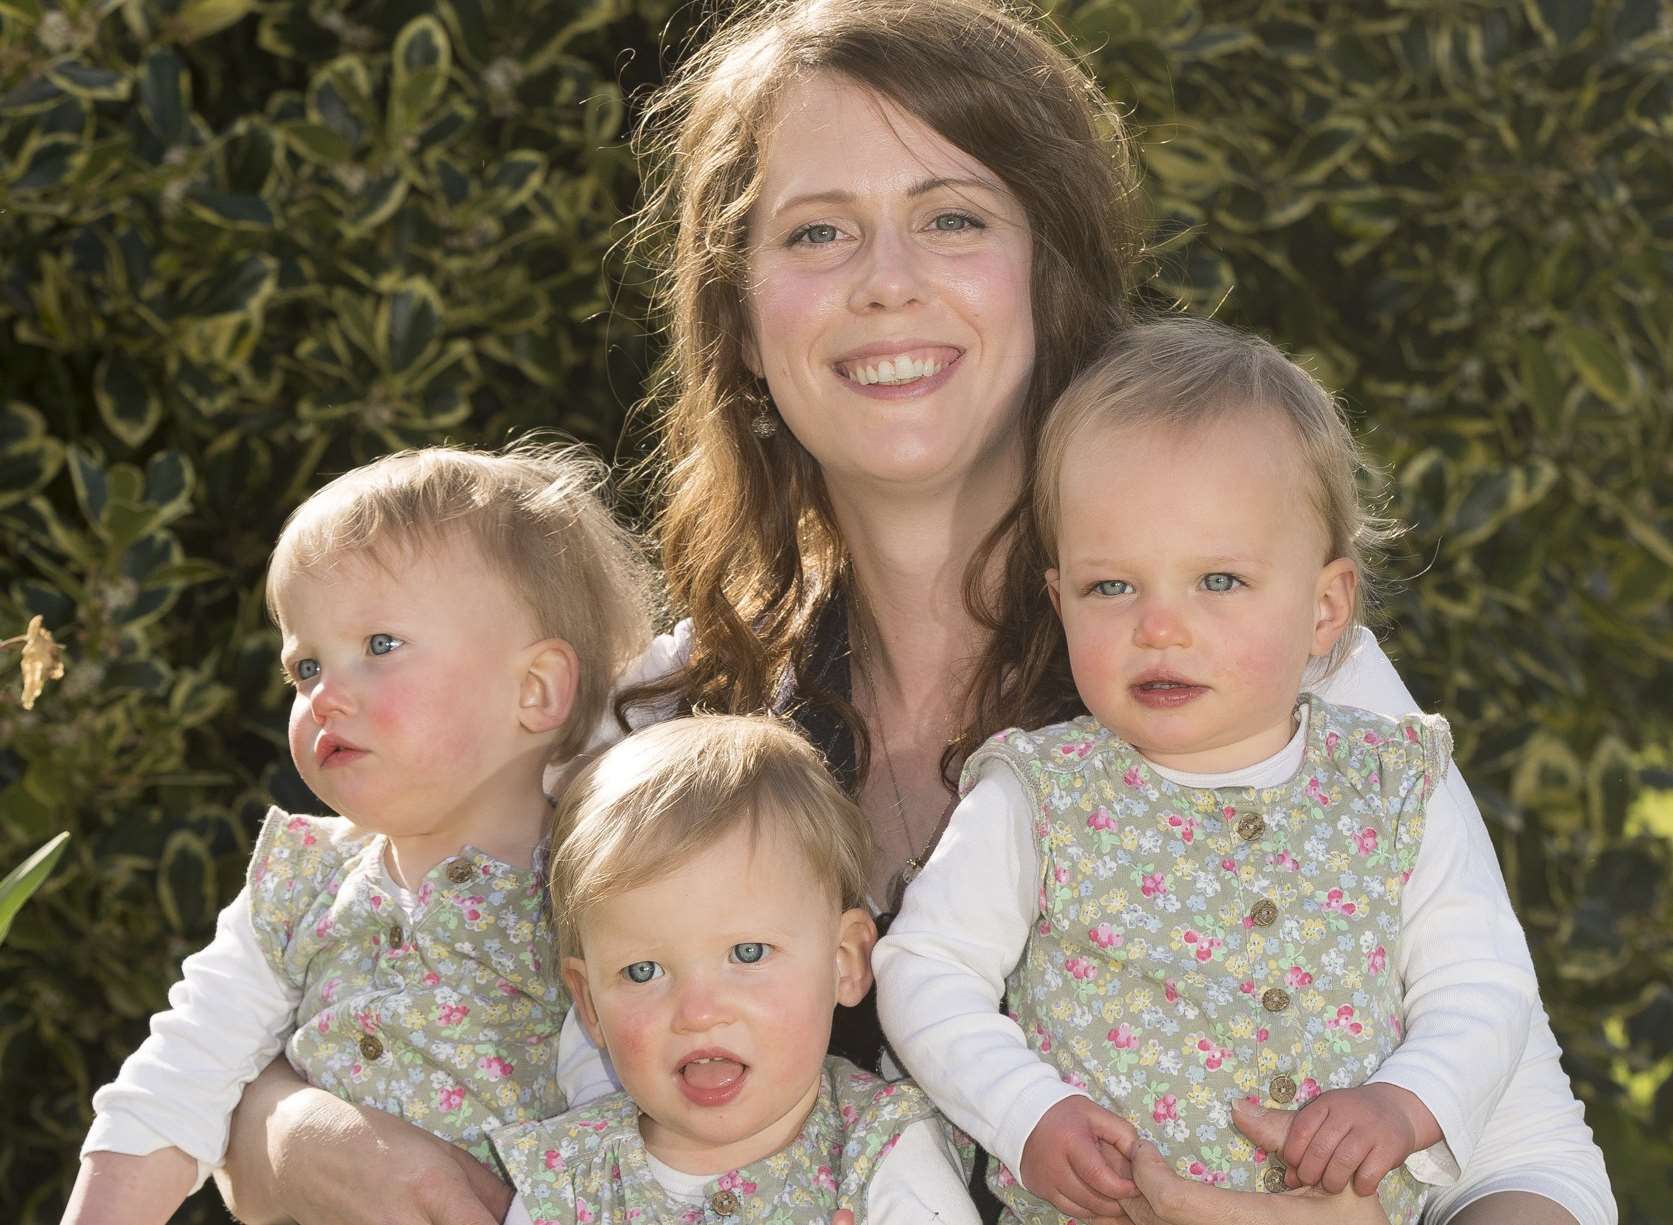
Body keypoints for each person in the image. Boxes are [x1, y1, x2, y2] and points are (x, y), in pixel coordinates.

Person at [213, 3, 1614, 1224]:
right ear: (742, 323)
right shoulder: (641, 732)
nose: (888, 281)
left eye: (952, 216)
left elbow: (1529, 1149)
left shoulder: (1259, 686)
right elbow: (338, 978)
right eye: (818, 231)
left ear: (1048, 280)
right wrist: (283, 1136)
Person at [873, 316, 1544, 1224]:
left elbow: (1482, 981)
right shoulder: (1040, 795)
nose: (1159, 626)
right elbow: (924, 966)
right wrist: (1029, 1111)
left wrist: (1405, 1099)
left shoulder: (1390, 784)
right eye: (1111, 586)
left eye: (1217, 581)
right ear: (1058, 597)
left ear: (1322, 608)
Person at [63, 443, 656, 1225]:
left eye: (379, 646)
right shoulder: (298, 882)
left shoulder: (604, 893)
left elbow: (635, 1129)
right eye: (305, 666)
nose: (325, 696)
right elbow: (177, 1079)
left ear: (536, 689)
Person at [493, 714, 977, 1223]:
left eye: (748, 954)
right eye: (643, 972)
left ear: (844, 961)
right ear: (590, 1004)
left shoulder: (882, 1148)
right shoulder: (567, 1179)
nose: (698, 1013)